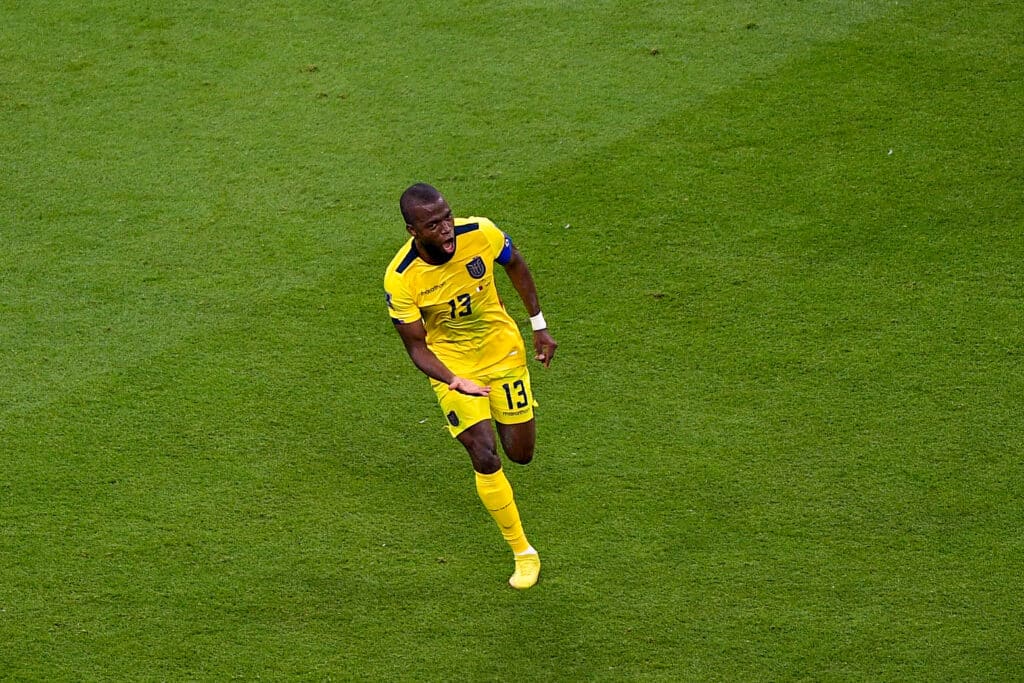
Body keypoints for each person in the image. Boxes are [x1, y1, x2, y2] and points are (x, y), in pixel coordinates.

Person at [383, 183, 558, 589]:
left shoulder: (481, 232)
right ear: (413, 231)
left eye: (447, 217)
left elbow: (515, 263)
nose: (446, 229)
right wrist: (452, 379)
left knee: (521, 454)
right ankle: (523, 552)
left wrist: (539, 326)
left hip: (502, 352)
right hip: (453, 364)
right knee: (483, 452)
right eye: (433, 225)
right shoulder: (401, 278)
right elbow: (416, 347)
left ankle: (504, 417)